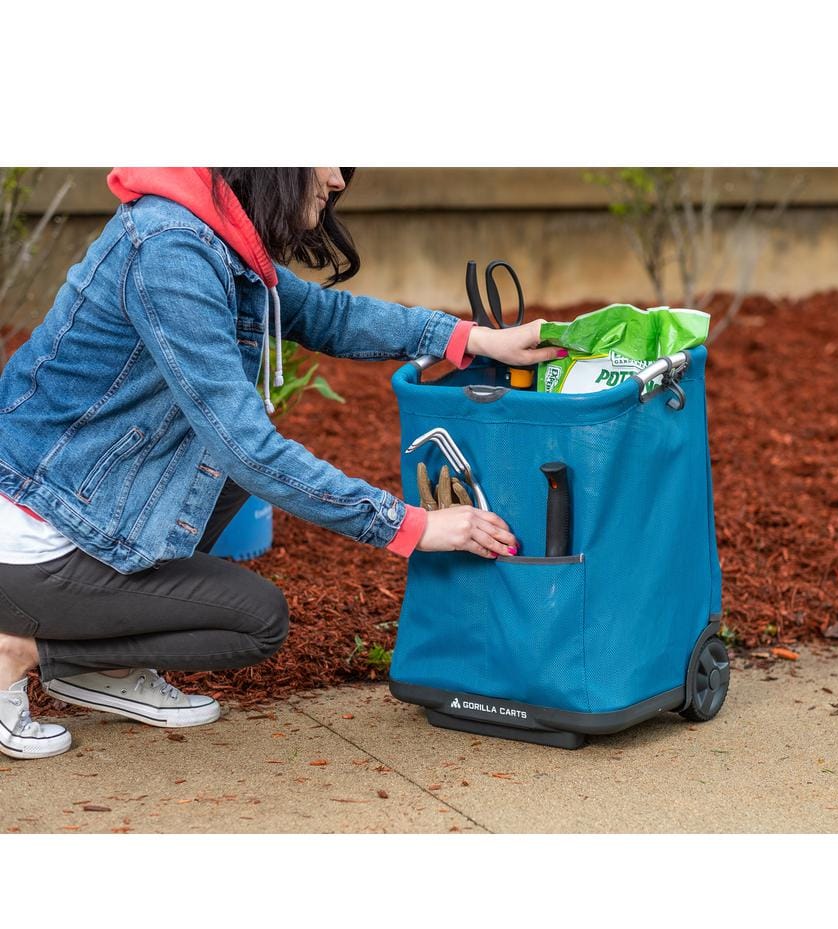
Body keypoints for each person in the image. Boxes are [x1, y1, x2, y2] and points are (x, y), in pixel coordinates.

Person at [0, 167, 565, 759]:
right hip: (32, 540)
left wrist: (472, 339)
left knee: (222, 476)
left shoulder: (211, 235)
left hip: (77, 501)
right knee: (253, 621)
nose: (337, 177)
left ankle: (102, 670)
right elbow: (249, 451)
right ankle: (22, 651)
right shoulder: (170, 251)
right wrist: (412, 527)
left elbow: (327, 316)